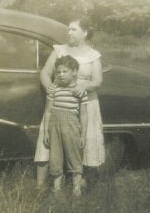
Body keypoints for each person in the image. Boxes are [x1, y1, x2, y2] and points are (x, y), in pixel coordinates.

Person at [34, 16, 105, 188]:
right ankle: (41, 184)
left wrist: (84, 87)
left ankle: (82, 180)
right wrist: (50, 87)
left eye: (74, 29)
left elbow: (97, 81)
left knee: (84, 138)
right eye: (68, 29)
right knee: (49, 137)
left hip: (85, 101)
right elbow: (44, 73)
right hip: (59, 100)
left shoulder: (93, 55)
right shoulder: (59, 50)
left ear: (85, 33)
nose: (69, 32)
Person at [43, 55, 88, 196]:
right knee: (55, 156)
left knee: (73, 155)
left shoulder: (79, 91)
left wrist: (83, 134)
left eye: (65, 71)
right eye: (58, 72)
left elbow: (83, 115)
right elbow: (48, 111)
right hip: (54, 125)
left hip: (71, 125)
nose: (61, 75)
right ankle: (57, 190)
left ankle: (76, 188)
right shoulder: (53, 89)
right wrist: (46, 132)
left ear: (74, 71)